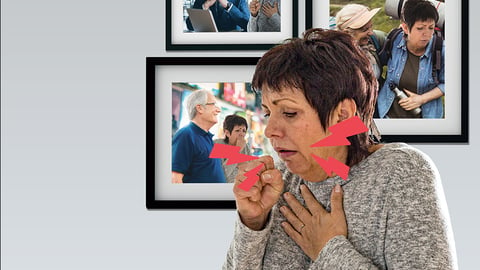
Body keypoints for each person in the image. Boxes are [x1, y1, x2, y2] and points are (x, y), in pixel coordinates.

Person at [223, 28, 456, 269]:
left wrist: (330, 250)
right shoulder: (278, 182)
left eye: (289, 113)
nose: (270, 129)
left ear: (343, 115)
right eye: (268, 113)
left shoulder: (401, 174)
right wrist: (252, 223)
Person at [377, 0, 445, 118]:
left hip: (424, 121)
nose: (427, 34)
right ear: (405, 28)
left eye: (431, 28)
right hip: (386, 114)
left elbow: (453, 83)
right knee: (338, 134)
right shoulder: (394, 39)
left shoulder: (441, 50)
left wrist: (421, 99)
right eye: (420, 28)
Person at [171, 89, 226, 184]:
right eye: (213, 104)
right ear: (200, 108)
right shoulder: (186, 135)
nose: (218, 110)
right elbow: (175, 178)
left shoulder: (207, 138)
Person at [335, 4, 384, 81]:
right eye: (365, 30)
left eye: (371, 26)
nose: (370, 32)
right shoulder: (333, 57)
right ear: (347, 33)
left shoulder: (375, 39)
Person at [213, 114, 251, 183]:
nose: (241, 134)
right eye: (237, 131)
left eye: (244, 131)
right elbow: (221, 176)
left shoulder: (245, 147)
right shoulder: (217, 145)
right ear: (227, 133)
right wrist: (237, 150)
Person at [186, 0, 250, 32]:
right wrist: (205, 6)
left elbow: (247, 25)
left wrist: (228, 6)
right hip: (208, 42)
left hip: (231, 42)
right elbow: (189, 25)